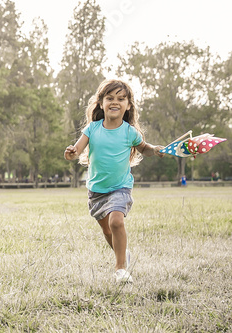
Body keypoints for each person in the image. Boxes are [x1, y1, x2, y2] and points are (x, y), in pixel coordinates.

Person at [64, 79, 165, 283]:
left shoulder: (129, 132)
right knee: (107, 229)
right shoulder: (92, 129)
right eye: (110, 98)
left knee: (116, 221)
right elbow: (77, 150)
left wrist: (153, 149)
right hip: (96, 190)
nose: (115, 102)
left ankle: (121, 269)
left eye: (121, 98)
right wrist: (71, 153)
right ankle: (122, 253)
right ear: (101, 103)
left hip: (120, 187)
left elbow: (143, 147)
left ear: (128, 106)